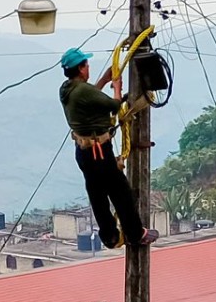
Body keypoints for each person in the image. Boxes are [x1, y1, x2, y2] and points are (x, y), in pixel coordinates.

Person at [58, 47, 156, 249]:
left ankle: (110, 236)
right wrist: (117, 87)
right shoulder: (83, 91)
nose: (88, 67)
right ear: (81, 68)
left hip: (83, 151)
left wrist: (103, 80)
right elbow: (114, 105)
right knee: (120, 192)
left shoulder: (67, 89)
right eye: (86, 64)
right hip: (99, 151)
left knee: (97, 195)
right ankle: (136, 233)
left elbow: (89, 95)